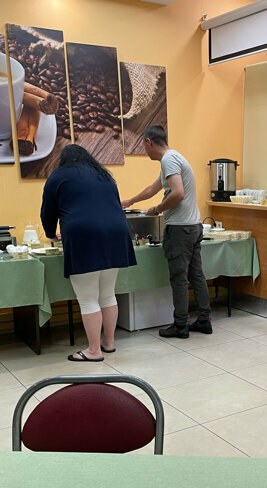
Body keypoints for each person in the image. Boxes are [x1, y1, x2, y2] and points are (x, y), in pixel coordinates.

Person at [41, 144, 136, 361]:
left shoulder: (58, 176)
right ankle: (108, 343)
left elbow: (48, 211)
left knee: (87, 298)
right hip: (116, 234)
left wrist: (51, 234)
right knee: (108, 294)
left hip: (84, 236)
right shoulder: (105, 175)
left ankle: (94, 351)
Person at [122, 124, 211, 338]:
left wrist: (157, 209)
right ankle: (204, 320)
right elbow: (153, 189)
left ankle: (180, 326)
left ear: (149, 142)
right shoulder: (174, 158)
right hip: (193, 225)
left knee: (179, 279)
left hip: (180, 229)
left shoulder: (168, 160)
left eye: (144, 146)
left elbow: (178, 193)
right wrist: (130, 201)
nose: (145, 152)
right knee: (197, 275)